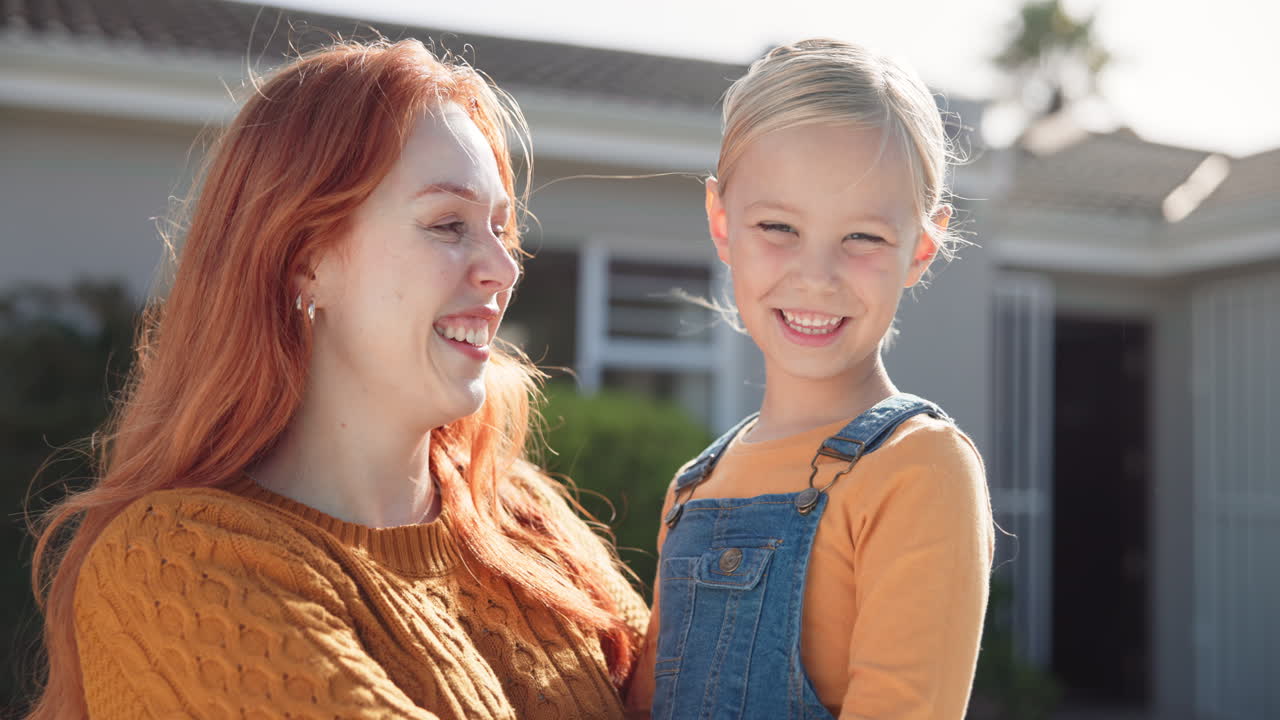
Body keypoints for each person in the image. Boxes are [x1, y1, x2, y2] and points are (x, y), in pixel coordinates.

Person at [28, 39, 647, 720]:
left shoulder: (523, 519)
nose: (503, 269)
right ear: (305, 261)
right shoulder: (175, 562)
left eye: (501, 229)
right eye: (449, 224)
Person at [626, 39, 994, 719]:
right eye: (778, 226)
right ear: (721, 223)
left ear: (921, 247)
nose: (817, 276)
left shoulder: (919, 470)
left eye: (863, 237)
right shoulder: (693, 488)